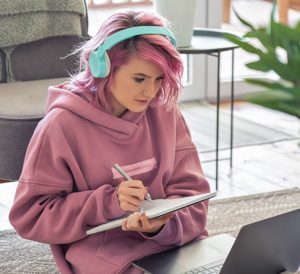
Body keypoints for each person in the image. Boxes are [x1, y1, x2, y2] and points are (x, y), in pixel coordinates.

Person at [9, 10, 210, 274]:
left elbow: (194, 198)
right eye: (139, 79)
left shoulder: (165, 111)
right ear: (102, 66)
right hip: (105, 253)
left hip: (174, 241)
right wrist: (108, 202)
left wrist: (161, 225)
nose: (150, 92)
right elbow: (31, 217)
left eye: (158, 79)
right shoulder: (60, 126)